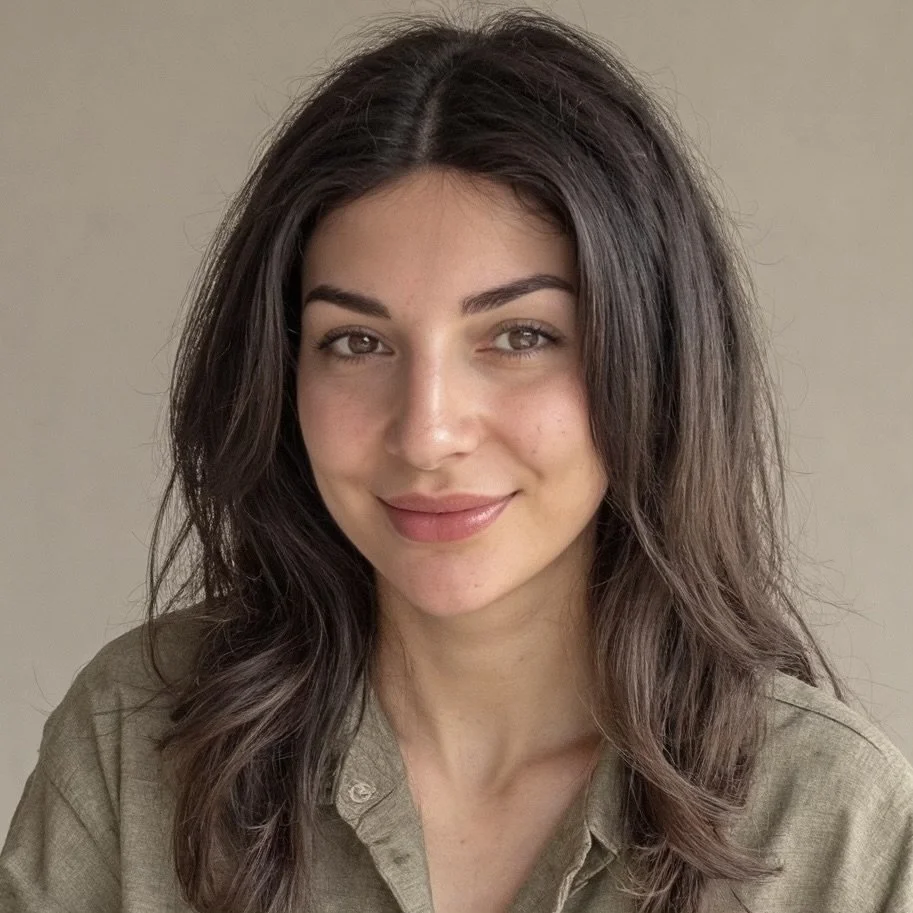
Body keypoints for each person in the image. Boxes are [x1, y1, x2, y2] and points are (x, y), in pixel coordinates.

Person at [1, 8, 911, 913]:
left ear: (654, 361)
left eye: (519, 335)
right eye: (355, 342)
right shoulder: (136, 743)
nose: (426, 431)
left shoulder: (833, 824)